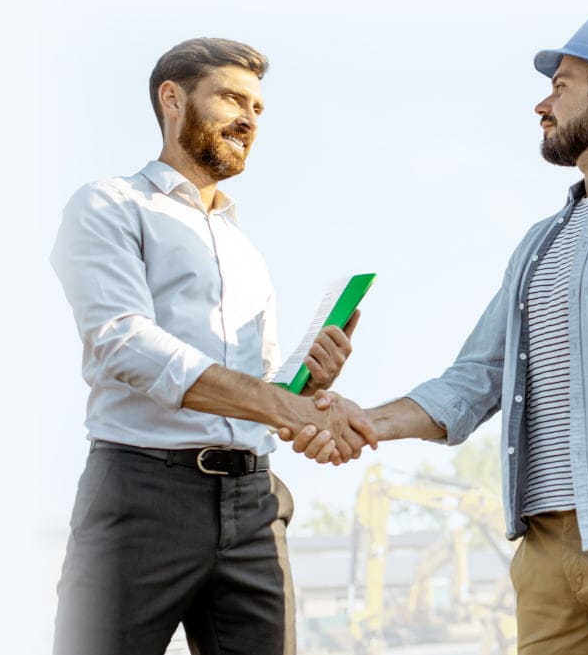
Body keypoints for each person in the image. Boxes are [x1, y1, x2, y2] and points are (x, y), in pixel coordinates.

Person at [297, 11, 588, 654]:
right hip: (544, 553)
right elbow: (476, 378)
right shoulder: (539, 243)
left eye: (561, 84)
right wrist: (363, 418)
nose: (542, 104)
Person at [49, 37, 376, 655]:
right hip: (142, 497)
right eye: (231, 97)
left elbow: (267, 393)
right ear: (171, 99)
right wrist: (281, 406)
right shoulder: (109, 205)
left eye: (258, 107)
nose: (249, 118)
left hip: (254, 505)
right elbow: (125, 341)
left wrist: (306, 383)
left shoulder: (244, 248)